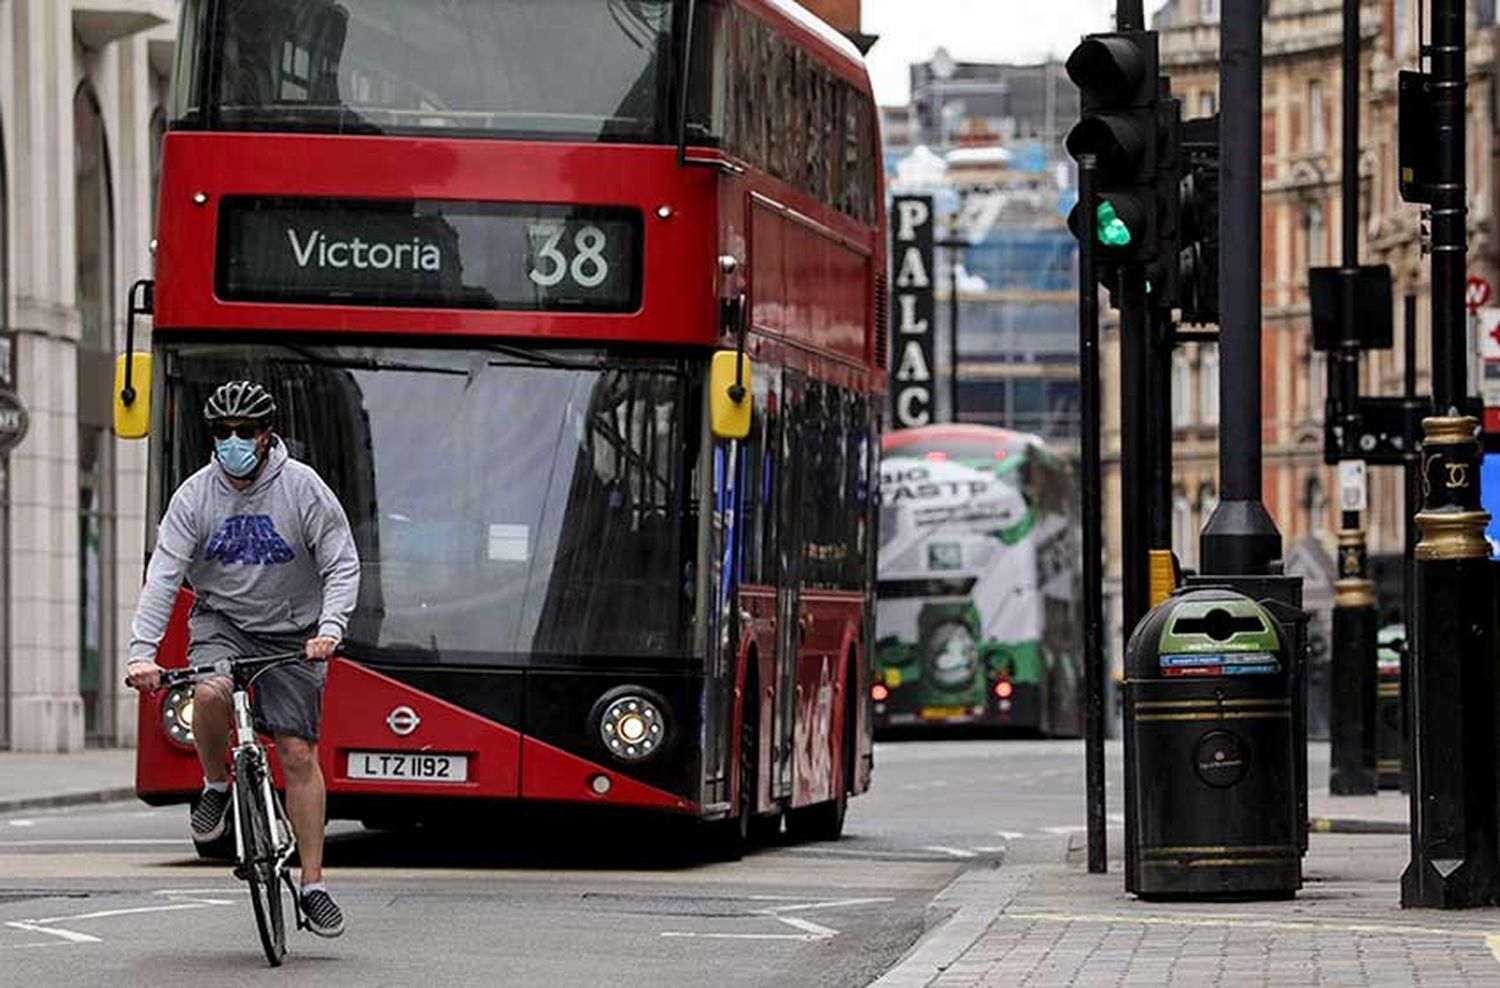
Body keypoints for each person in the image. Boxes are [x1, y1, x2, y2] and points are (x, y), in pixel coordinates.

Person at [125, 380, 360, 938]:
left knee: (298, 754)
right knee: (206, 693)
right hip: (222, 621)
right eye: (222, 433)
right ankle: (214, 787)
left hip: (294, 631)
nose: (232, 441)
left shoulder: (303, 489)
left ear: (266, 435)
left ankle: (313, 883)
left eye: (244, 432)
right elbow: (163, 577)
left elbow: (341, 564)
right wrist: (141, 653)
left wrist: (329, 630)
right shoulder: (193, 496)